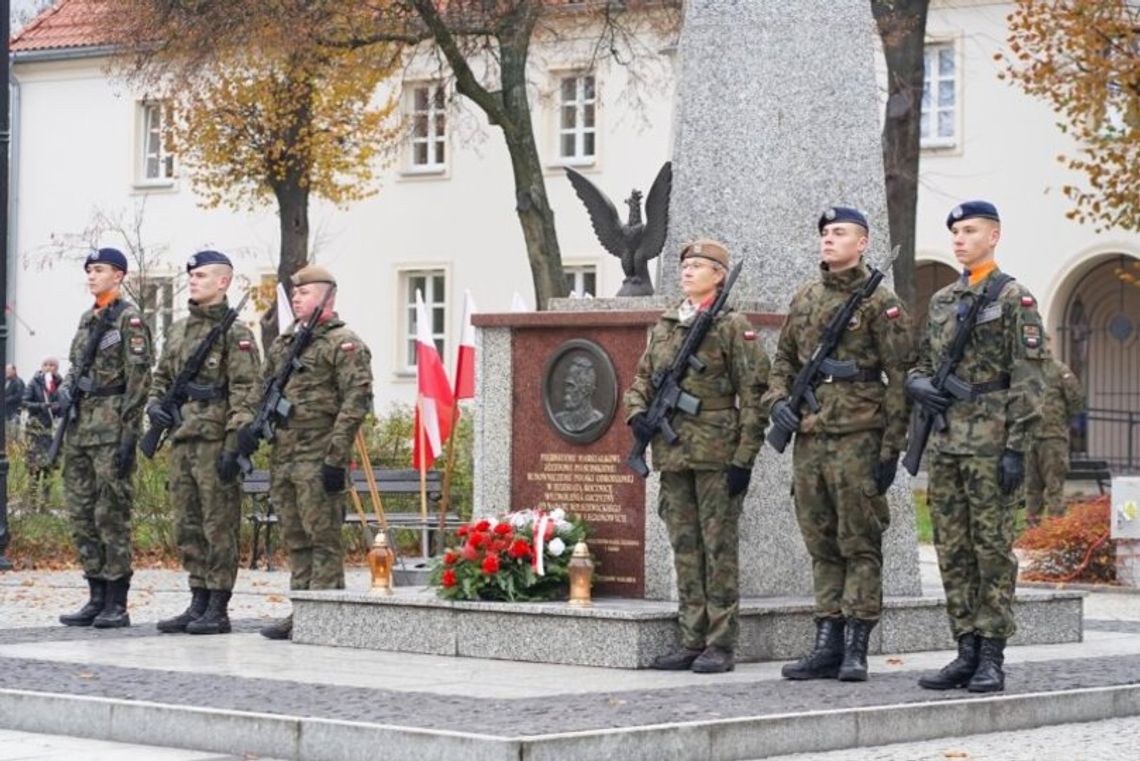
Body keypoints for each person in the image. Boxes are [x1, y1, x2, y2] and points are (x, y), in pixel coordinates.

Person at [764, 207, 916, 683]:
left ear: (863, 242)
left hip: (859, 436)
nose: (829, 240)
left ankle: (856, 646)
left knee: (860, 543)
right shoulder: (806, 296)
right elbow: (783, 361)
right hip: (810, 438)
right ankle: (826, 642)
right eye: (825, 233)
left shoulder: (881, 303)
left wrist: (892, 448)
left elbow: (901, 377)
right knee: (821, 543)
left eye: (840, 233)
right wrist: (777, 404)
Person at [909, 201, 1045, 693]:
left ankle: (992, 654)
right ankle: (964, 649)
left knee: (991, 551)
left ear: (995, 235)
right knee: (953, 550)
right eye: (955, 233)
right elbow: (920, 361)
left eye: (970, 231)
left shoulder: (1013, 298)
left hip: (991, 443)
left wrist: (1016, 447)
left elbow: (1030, 379)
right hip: (947, 443)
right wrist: (917, 383)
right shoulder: (944, 299)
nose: (960, 240)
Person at [623, 239, 769, 674]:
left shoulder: (730, 325)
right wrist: (637, 416)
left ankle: (720, 643)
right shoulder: (667, 324)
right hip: (672, 454)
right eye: (685, 265)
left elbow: (754, 395)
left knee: (718, 548)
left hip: (716, 454)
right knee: (685, 547)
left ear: (719, 276)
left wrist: (744, 458)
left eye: (699, 266)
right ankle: (691, 638)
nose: (688, 271)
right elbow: (643, 379)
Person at [246, 265, 373, 641]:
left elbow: (356, 402)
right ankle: (302, 611)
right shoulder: (286, 343)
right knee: (296, 539)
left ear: (327, 297)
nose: (297, 297)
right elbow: (263, 388)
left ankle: (327, 615)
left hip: (319, 456)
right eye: (295, 293)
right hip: (285, 457)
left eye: (305, 293)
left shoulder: (344, 343)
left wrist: (336, 457)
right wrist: (247, 431)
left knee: (323, 540)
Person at [149, 251, 261, 636]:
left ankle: (218, 605)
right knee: (188, 525)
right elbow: (160, 378)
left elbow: (246, 393)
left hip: (215, 442)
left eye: (200, 275)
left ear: (223, 282)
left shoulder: (237, 335)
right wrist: (155, 409)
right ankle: (197, 598)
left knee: (219, 525)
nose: (193, 281)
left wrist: (235, 444)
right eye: (191, 276)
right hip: (181, 440)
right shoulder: (179, 331)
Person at [58, 248, 153, 628]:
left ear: (118, 275)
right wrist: (66, 389)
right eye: (89, 270)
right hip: (80, 429)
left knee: (110, 513)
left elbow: (139, 379)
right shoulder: (88, 318)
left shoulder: (128, 320)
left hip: (112, 430)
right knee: (81, 513)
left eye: (99, 270)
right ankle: (95, 593)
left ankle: (117, 599)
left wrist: (130, 434)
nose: (91, 276)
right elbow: (74, 366)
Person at [1025, 340, 1084, 524]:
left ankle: (1054, 531)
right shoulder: (1024, 371)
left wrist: (1061, 422)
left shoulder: (1060, 370)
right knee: (1031, 488)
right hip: (1029, 437)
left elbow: (1076, 401)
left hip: (1053, 438)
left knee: (1054, 487)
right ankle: (1032, 533)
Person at [22, 357, 64, 506]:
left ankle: (45, 502)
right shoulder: (34, 383)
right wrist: (42, 406)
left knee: (49, 466)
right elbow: (25, 402)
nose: (48, 367)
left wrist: (58, 407)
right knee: (34, 466)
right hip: (36, 430)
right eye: (45, 364)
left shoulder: (61, 384)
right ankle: (32, 502)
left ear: (57, 368)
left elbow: (65, 403)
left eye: (52, 365)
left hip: (52, 431)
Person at [555, 356, 604, 433]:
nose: (566, 390)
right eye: (567, 386)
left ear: (586, 390)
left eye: (571, 386)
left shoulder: (599, 421)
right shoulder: (559, 419)